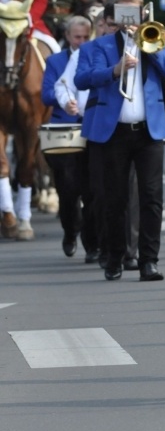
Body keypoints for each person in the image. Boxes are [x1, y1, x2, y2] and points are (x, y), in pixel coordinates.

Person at [75, 0, 165, 281]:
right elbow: (82, 79)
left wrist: (154, 47)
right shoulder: (99, 46)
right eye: (125, 13)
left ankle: (150, 261)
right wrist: (114, 69)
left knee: (151, 198)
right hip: (113, 134)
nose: (130, 19)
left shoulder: (155, 38)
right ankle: (115, 257)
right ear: (116, 16)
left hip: (149, 132)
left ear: (143, 14)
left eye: (135, 12)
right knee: (114, 198)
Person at [40, 15, 94, 258]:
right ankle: (70, 231)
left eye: (85, 37)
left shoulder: (95, 54)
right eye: (77, 37)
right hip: (65, 131)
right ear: (68, 37)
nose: (81, 42)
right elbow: (47, 94)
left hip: (92, 129)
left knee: (92, 189)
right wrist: (66, 102)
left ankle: (92, 242)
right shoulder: (55, 60)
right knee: (68, 189)